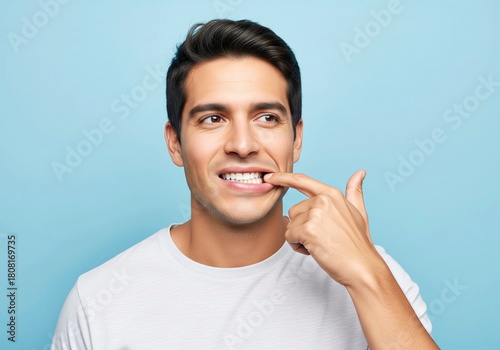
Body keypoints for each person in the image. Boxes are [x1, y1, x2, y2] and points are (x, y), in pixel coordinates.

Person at [51, 19, 439, 349]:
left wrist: (365, 273)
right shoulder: (98, 300)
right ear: (175, 143)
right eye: (213, 119)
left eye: (267, 118)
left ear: (296, 139)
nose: (242, 145)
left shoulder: (375, 275)